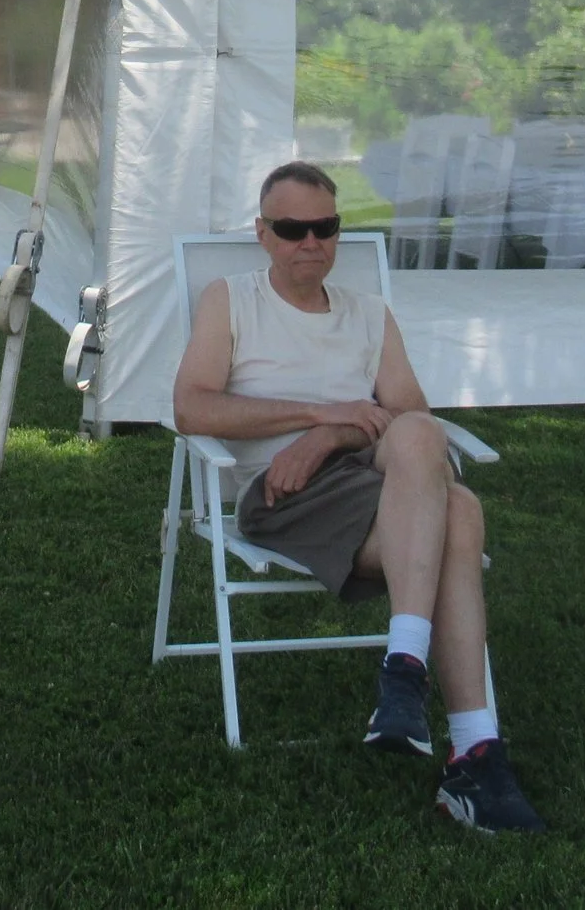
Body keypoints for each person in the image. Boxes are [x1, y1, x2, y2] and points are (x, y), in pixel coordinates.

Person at [172, 160, 544, 834]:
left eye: (326, 227)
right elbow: (192, 408)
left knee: (428, 446)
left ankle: (407, 672)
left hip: (371, 481)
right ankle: (476, 751)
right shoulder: (232, 299)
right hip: (283, 493)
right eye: (292, 229)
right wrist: (313, 422)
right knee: (461, 513)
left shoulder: (369, 314)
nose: (310, 242)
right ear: (262, 232)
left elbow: (409, 419)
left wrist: (333, 429)